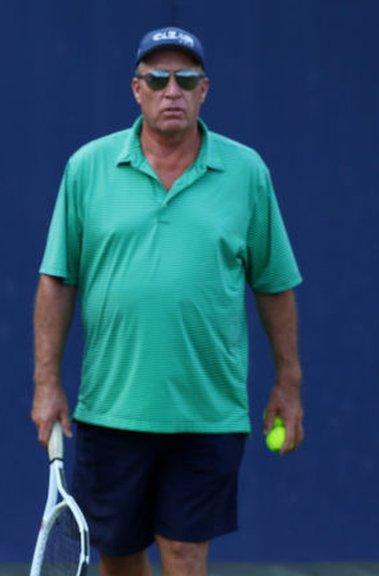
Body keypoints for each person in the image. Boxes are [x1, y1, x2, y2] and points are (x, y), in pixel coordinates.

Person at [31, 27, 304, 576]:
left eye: (186, 79)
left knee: (184, 555)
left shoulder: (246, 173)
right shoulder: (88, 167)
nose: (171, 90)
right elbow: (57, 281)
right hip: (112, 408)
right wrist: (46, 385)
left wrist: (288, 383)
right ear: (137, 89)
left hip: (208, 411)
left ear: (205, 91)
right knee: (120, 555)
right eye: (158, 79)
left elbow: (273, 283)